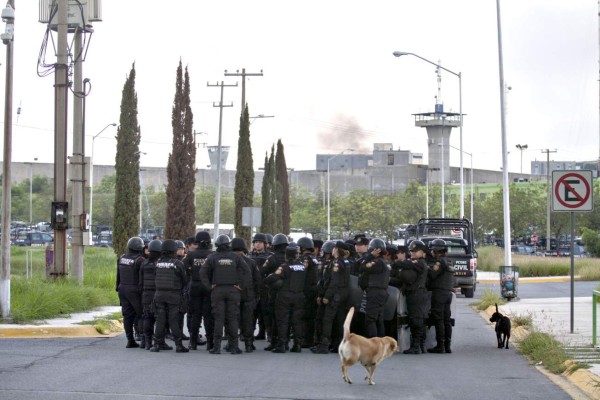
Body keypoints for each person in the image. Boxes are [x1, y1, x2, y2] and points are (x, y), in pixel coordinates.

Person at [201, 235, 250, 355]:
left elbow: (202, 272)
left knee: (219, 319)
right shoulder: (236, 257)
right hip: (233, 290)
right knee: (233, 319)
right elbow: (247, 271)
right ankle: (234, 347)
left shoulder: (212, 257)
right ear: (229, 244)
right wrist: (241, 286)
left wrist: (209, 286)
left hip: (217, 290)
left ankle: (216, 347)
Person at [265, 242, 306, 353]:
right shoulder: (302, 266)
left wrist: (266, 280)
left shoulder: (284, 266)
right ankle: (297, 345)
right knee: (297, 321)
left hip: (285, 297)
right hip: (299, 296)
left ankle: (282, 345)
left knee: (283, 321)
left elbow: (273, 278)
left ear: (286, 255)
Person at [151, 239, 189, 353]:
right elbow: (184, 280)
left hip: (159, 295)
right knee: (174, 321)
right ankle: (178, 345)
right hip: (173, 295)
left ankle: (156, 344)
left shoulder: (157, 263)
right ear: (174, 250)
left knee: (160, 320)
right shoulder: (178, 263)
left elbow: (155, 277)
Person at [313, 241, 352, 354]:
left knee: (327, 320)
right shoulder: (346, 262)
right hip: (342, 295)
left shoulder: (336, 263)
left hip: (335, 295)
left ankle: (324, 345)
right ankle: (338, 345)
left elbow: (333, 282)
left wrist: (326, 296)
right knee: (339, 321)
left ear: (337, 250)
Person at [184, 231, 214, 350]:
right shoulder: (212, 254)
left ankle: (193, 342)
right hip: (208, 286)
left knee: (195, 315)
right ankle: (210, 343)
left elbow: (184, 267)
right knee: (208, 315)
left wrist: (192, 272)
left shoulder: (191, 254)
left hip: (195, 285)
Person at [231, 237, 261, 353]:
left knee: (232, 319)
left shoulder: (229, 261)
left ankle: (232, 344)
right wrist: (256, 294)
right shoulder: (251, 262)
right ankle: (249, 344)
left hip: (233, 293)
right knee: (248, 319)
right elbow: (258, 280)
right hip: (248, 294)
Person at [260, 233, 288, 351]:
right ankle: (284, 341)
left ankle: (273, 340)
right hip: (288, 292)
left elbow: (262, 271)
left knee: (273, 317)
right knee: (285, 318)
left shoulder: (272, 258)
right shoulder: (290, 258)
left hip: (273, 292)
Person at [357, 238, 390, 338]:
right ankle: (380, 345)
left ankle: (374, 345)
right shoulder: (384, 262)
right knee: (379, 320)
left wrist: (371, 256)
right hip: (381, 292)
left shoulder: (376, 262)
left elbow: (361, 267)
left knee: (370, 319)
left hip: (375, 292)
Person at [401, 240, 430, 355]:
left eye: (415, 251)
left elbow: (405, 264)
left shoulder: (420, 263)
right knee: (419, 319)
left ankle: (416, 346)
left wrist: (400, 261)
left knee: (416, 320)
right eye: (412, 251)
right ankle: (420, 345)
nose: (412, 253)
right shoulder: (418, 262)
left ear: (422, 252)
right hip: (416, 294)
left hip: (417, 294)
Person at [116, 236, 145, 348]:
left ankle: (130, 340)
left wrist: (118, 287)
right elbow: (142, 278)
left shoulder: (122, 257)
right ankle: (143, 339)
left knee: (127, 316)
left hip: (122, 288)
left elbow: (118, 275)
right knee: (142, 314)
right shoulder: (140, 260)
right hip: (134, 290)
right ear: (139, 248)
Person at [426, 239, 454, 354]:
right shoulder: (449, 261)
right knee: (447, 320)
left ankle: (440, 345)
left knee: (439, 320)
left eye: (433, 250)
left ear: (437, 250)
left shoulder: (440, 262)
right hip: (448, 293)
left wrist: (428, 268)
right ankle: (447, 346)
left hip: (439, 293)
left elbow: (432, 275)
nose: (432, 252)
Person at [139, 239, 162, 350]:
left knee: (147, 317)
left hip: (146, 293)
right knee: (159, 318)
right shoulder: (160, 263)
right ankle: (158, 342)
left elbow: (140, 281)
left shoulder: (144, 263)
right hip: (157, 293)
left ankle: (146, 342)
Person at [298, 236, 320, 348]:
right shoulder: (314, 258)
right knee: (311, 316)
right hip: (313, 289)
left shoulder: (305, 259)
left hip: (306, 290)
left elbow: (301, 273)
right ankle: (309, 338)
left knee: (305, 316)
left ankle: (306, 339)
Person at [249, 233, 271, 341]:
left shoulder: (269, 256)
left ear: (265, 244)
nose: (257, 244)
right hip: (252, 287)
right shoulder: (249, 256)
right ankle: (249, 334)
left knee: (265, 312)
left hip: (265, 287)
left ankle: (266, 333)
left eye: (260, 242)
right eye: (255, 242)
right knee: (252, 312)